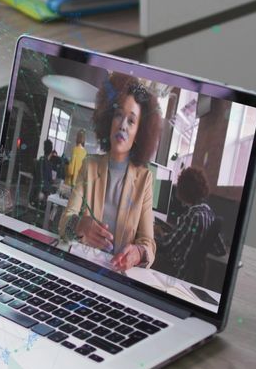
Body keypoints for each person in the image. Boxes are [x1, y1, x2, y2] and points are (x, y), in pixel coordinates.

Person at [58, 72, 161, 273]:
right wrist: (79, 225)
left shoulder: (145, 179)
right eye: (118, 115)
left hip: (118, 275)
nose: (122, 125)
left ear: (139, 133)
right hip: (83, 269)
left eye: (131, 121)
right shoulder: (89, 166)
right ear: (109, 120)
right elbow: (63, 223)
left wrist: (138, 253)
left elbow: (148, 243)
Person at [156, 167, 227, 279]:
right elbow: (220, 250)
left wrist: (151, 234)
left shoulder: (193, 215)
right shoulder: (210, 214)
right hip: (190, 275)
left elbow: (166, 245)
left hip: (175, 273)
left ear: (184, 191)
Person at [33, 138, 61, 205]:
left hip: (38, 189)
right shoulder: (48, 164)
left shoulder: (40, 160)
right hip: (45, 190)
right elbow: (50, 179)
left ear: (44, 149)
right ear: (51, 151)